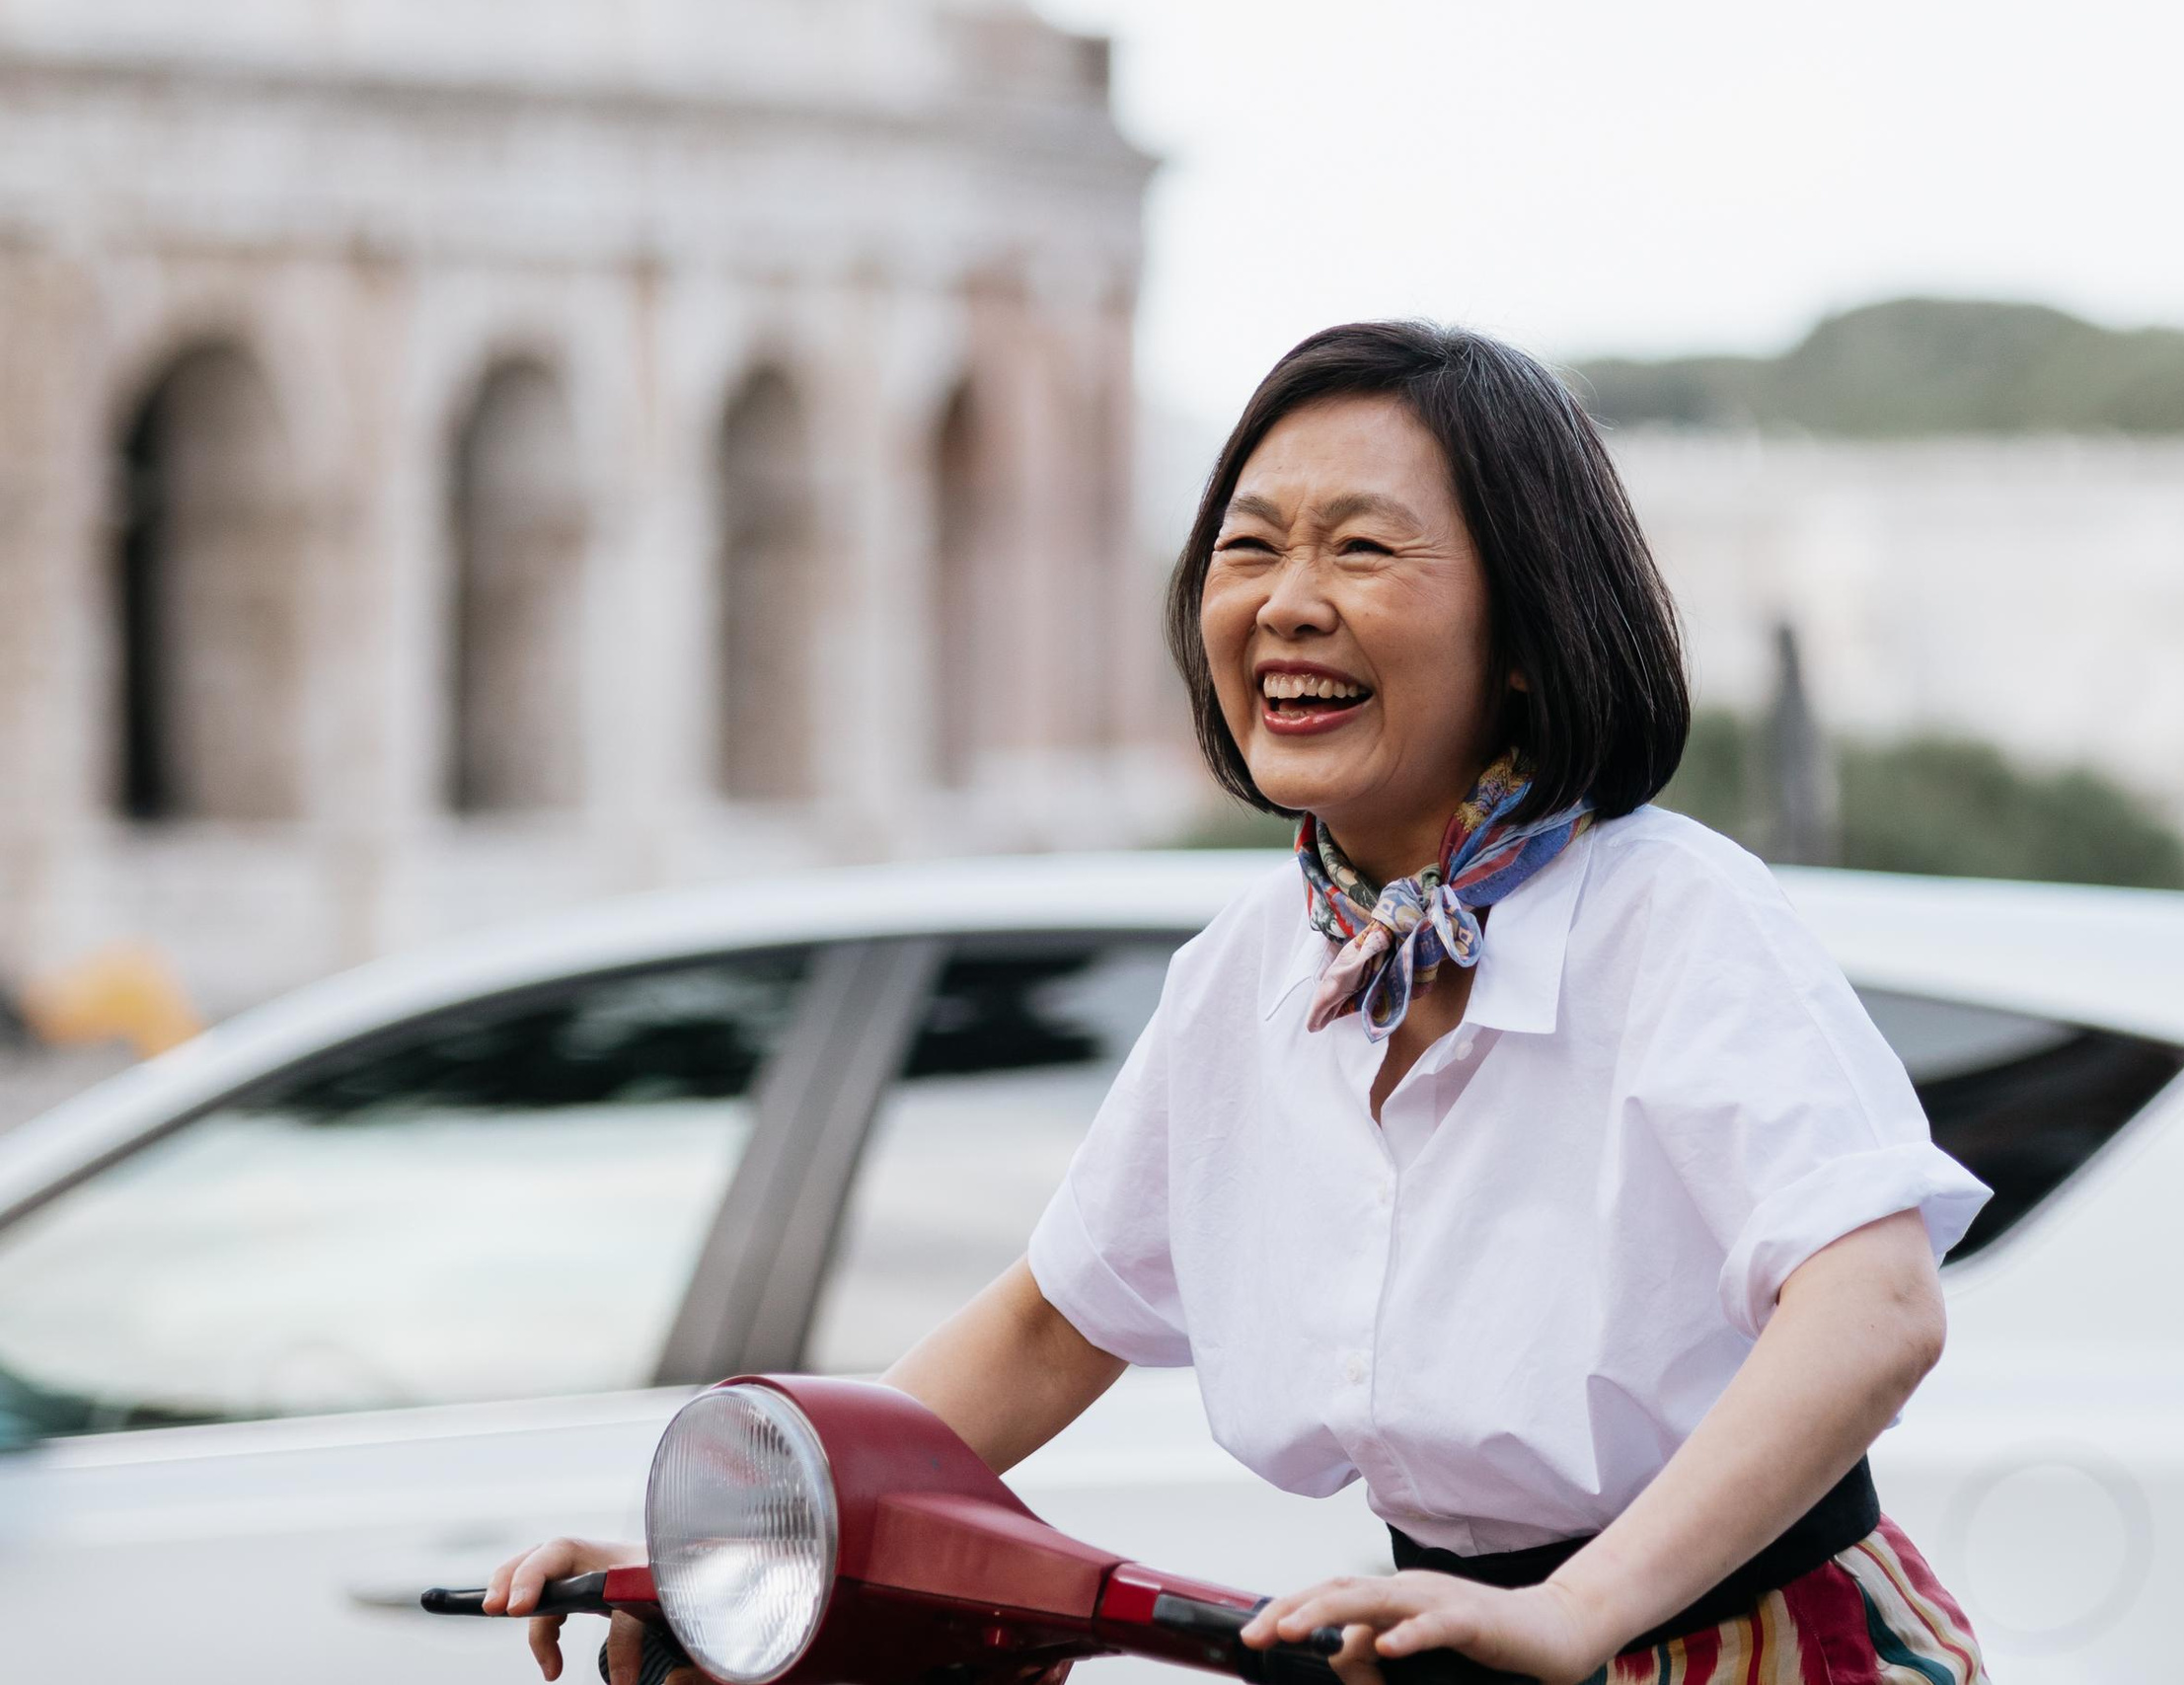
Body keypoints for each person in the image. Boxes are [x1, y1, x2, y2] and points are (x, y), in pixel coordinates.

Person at [485, 321, 1995, 1685]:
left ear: (1527, 640)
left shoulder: (1677, 912)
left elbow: (1872, 1309)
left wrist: (1578, 1611)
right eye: (1249, 547)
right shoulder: (1247, 972)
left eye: (1361, 552)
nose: (1288, 603)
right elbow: (1041, 1331)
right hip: (1443, 1650)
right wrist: (707, 1555)